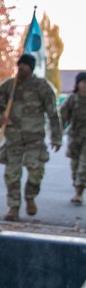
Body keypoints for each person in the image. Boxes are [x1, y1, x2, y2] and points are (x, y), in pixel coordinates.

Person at [0, 53, 61, 221]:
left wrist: (56, 137)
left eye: (25, 65)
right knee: (12, 174)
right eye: (19, 64)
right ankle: (13, 206)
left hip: (35, 139)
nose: (21, 67)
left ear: (31, 67)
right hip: (13, 138)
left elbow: (53, 114)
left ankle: (30, 196)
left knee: (36, 171)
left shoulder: (42, 87)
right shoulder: (8, 86)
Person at [60, 71, 86, 205]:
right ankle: (76, 185)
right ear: (78, 84)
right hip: (74, 136)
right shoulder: (72, 98)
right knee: (74, 165)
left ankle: (79, 192)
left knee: (84, 165)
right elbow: (62, 116)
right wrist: (57, 132)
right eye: (83, 82)